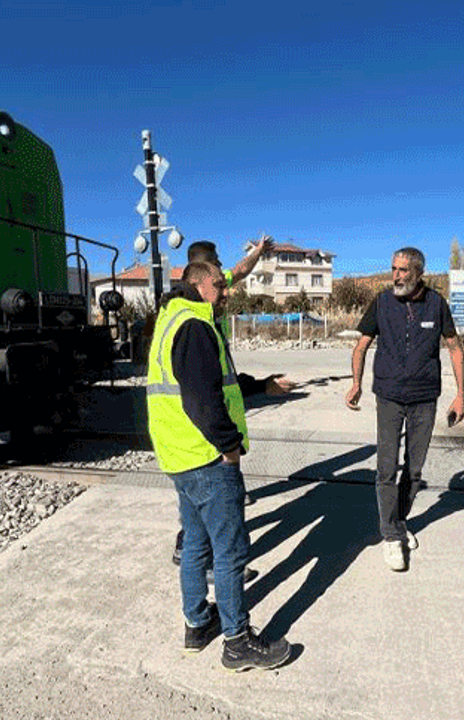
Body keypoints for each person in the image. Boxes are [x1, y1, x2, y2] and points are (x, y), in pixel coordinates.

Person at [146, 260, 292, 671]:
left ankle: (197, 624)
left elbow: (213, 382)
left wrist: (262, 386)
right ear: (198, 284)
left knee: (196, 543)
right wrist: (229, 447)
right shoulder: (194, 325)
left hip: (180, 456)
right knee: (230, 551)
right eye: (219, 285)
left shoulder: (173, 318)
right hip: (207, 457)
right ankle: (237, 642)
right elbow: (202, 399)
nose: (226, 291)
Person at [345, 247, 464, 572]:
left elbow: (455, 348)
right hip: (388, 395)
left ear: (418, 273)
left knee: (414, 471)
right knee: (386, 469)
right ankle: (390, 536)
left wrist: (461, 396)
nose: (396, 276)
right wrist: (355, 383)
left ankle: (398, 522)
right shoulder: (382, 302)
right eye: (393, 269)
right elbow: (361, 346)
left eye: (402, 270)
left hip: (425, 397)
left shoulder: (436, 304)